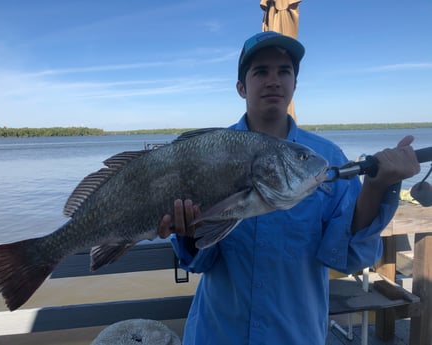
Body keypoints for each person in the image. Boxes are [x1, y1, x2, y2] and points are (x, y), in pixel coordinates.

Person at [158, 31, 420, 345]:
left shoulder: (326, 159)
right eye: (261, 72)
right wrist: (188, 234)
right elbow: (198, 261)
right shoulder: (207, 151)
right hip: (216, 333)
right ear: (241, 87)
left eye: (284, 71)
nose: (274, 80)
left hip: (295, 334)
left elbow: (349, 258)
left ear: (295, 84)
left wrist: (376, 188)